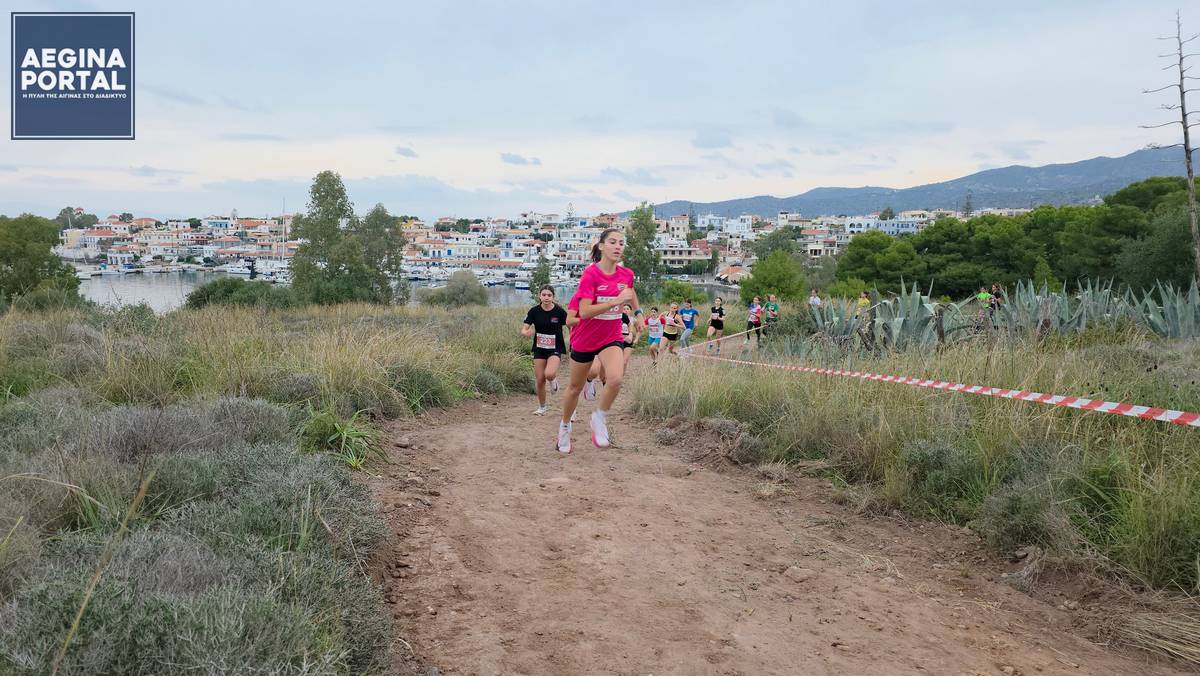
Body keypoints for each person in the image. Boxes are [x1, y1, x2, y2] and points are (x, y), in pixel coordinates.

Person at [558, 228, 640, 454]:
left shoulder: (626, 274)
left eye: (621, 243)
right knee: (575, 388)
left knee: (615, 379)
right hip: (585, 339)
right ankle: (565, 427)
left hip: (611, 336)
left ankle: (599, 417)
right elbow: (582, 313)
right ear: (601, 246)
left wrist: (639, 313)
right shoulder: (590, 275)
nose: (618, 246)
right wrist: (614, 302)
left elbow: (630, 292)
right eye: (612, 242)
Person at [521, 285, 567, 416]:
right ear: (539, 296)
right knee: (540, 379)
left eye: (549, 295)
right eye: (544, 295)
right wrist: (526, 332)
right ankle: (542, 407)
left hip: (555, 347)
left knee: (549, 374)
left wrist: (574, 336)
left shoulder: (559, 312)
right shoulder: (534, 311)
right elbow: (524, 329)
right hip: (539, 348)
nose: (546, 297)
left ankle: (553, 381)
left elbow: (570, 324)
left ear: (553, 297)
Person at [620, 302, 639, 370]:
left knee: (624, 361)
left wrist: (636, 338)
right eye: (624, 309)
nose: (625, 310)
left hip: (628, 339)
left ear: (630, 310)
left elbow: (638, 330)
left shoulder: (633, 320)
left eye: (627, 309)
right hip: (618, 340)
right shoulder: (618, 318)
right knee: (618, 361)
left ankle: (621, 377)